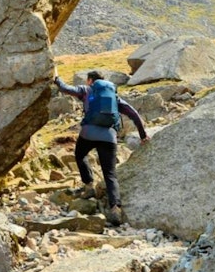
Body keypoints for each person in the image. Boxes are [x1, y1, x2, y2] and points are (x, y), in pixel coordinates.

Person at [54, 70, 148, 225]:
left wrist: (56, 78)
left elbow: (66, 89)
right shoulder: (113, 97)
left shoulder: (87, 90)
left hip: (88, 133)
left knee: (80, 154)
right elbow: (134, 114)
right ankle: (115, 209)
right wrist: (143, 135)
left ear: (90, 80)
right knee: (110, 174)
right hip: (109, 137)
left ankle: (89, 185)